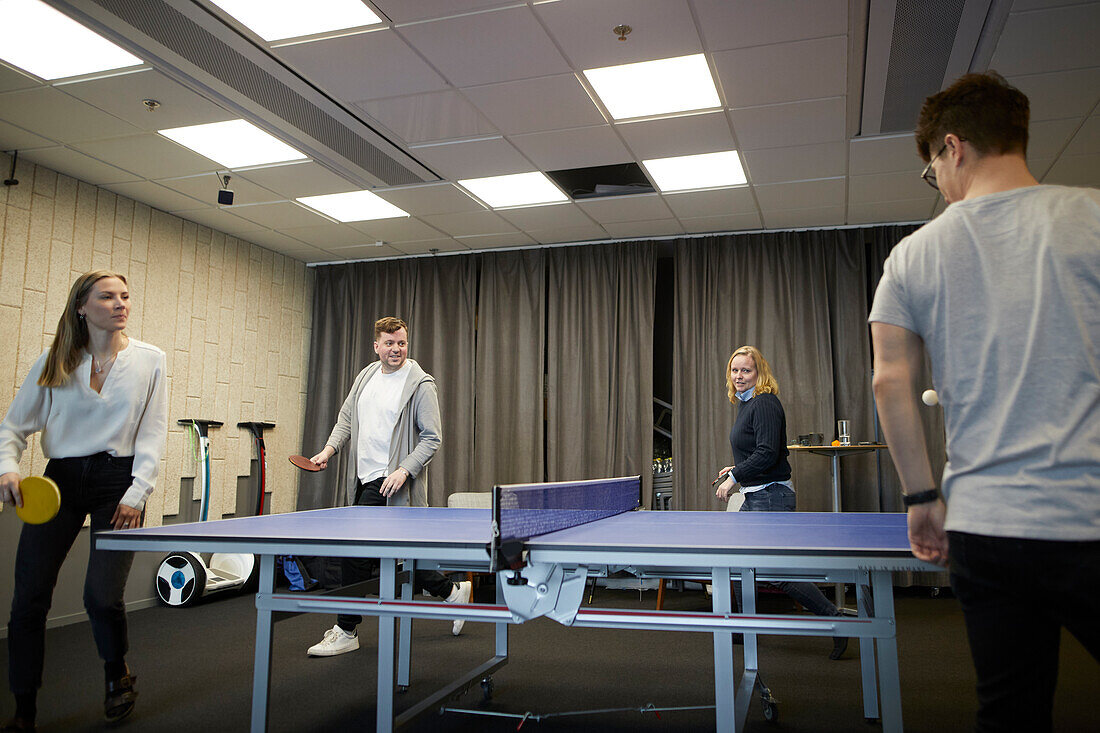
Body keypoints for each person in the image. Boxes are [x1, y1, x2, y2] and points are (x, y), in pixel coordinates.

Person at [869, 71, 1099, 732]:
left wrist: (921, 500)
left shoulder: (913, 255)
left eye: (930, 169)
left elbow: (891, 381)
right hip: (1089, 515)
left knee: (1010, 709)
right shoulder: (1092, 216)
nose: (936, 182)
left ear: (953, 148)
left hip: (986, 527)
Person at [0, 271, 168, 731]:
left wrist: (139, 492)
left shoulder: (150, 360)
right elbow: (13, 429)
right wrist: (7, 467)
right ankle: (24, 710)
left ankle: (117, 673)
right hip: (61, 481)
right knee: (29, 600)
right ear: (81, 306)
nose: (120, 304)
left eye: (125, 296)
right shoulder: (55, 360)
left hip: (120, 482)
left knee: (100, 596)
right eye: (107, 296)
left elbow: (152, 433)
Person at [304, 316, 471, 657]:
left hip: (391, 482)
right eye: (390, 343)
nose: (397, 349)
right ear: (376, 346)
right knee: (397, 557)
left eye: (402, 343)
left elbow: (432, 437)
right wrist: (328, 450)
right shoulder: (365, 376)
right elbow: (346, 419)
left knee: (353, 553)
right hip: (364, 478)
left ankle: (347, 629)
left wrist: (404, 470)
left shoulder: (421, 384)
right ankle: (452, 592)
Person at [714, 345, 847, 660]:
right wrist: (735, 469)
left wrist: (735, 479)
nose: (739, 376)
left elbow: (768, 452)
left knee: (776, 572)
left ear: (759, 373)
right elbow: (756, 451)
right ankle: (743, 628)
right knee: (736, 563)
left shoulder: (765, 403)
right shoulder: (747, 404)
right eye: (735, 370)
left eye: (746, 370)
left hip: (772, 495)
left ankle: (836, 621)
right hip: (758, 493)